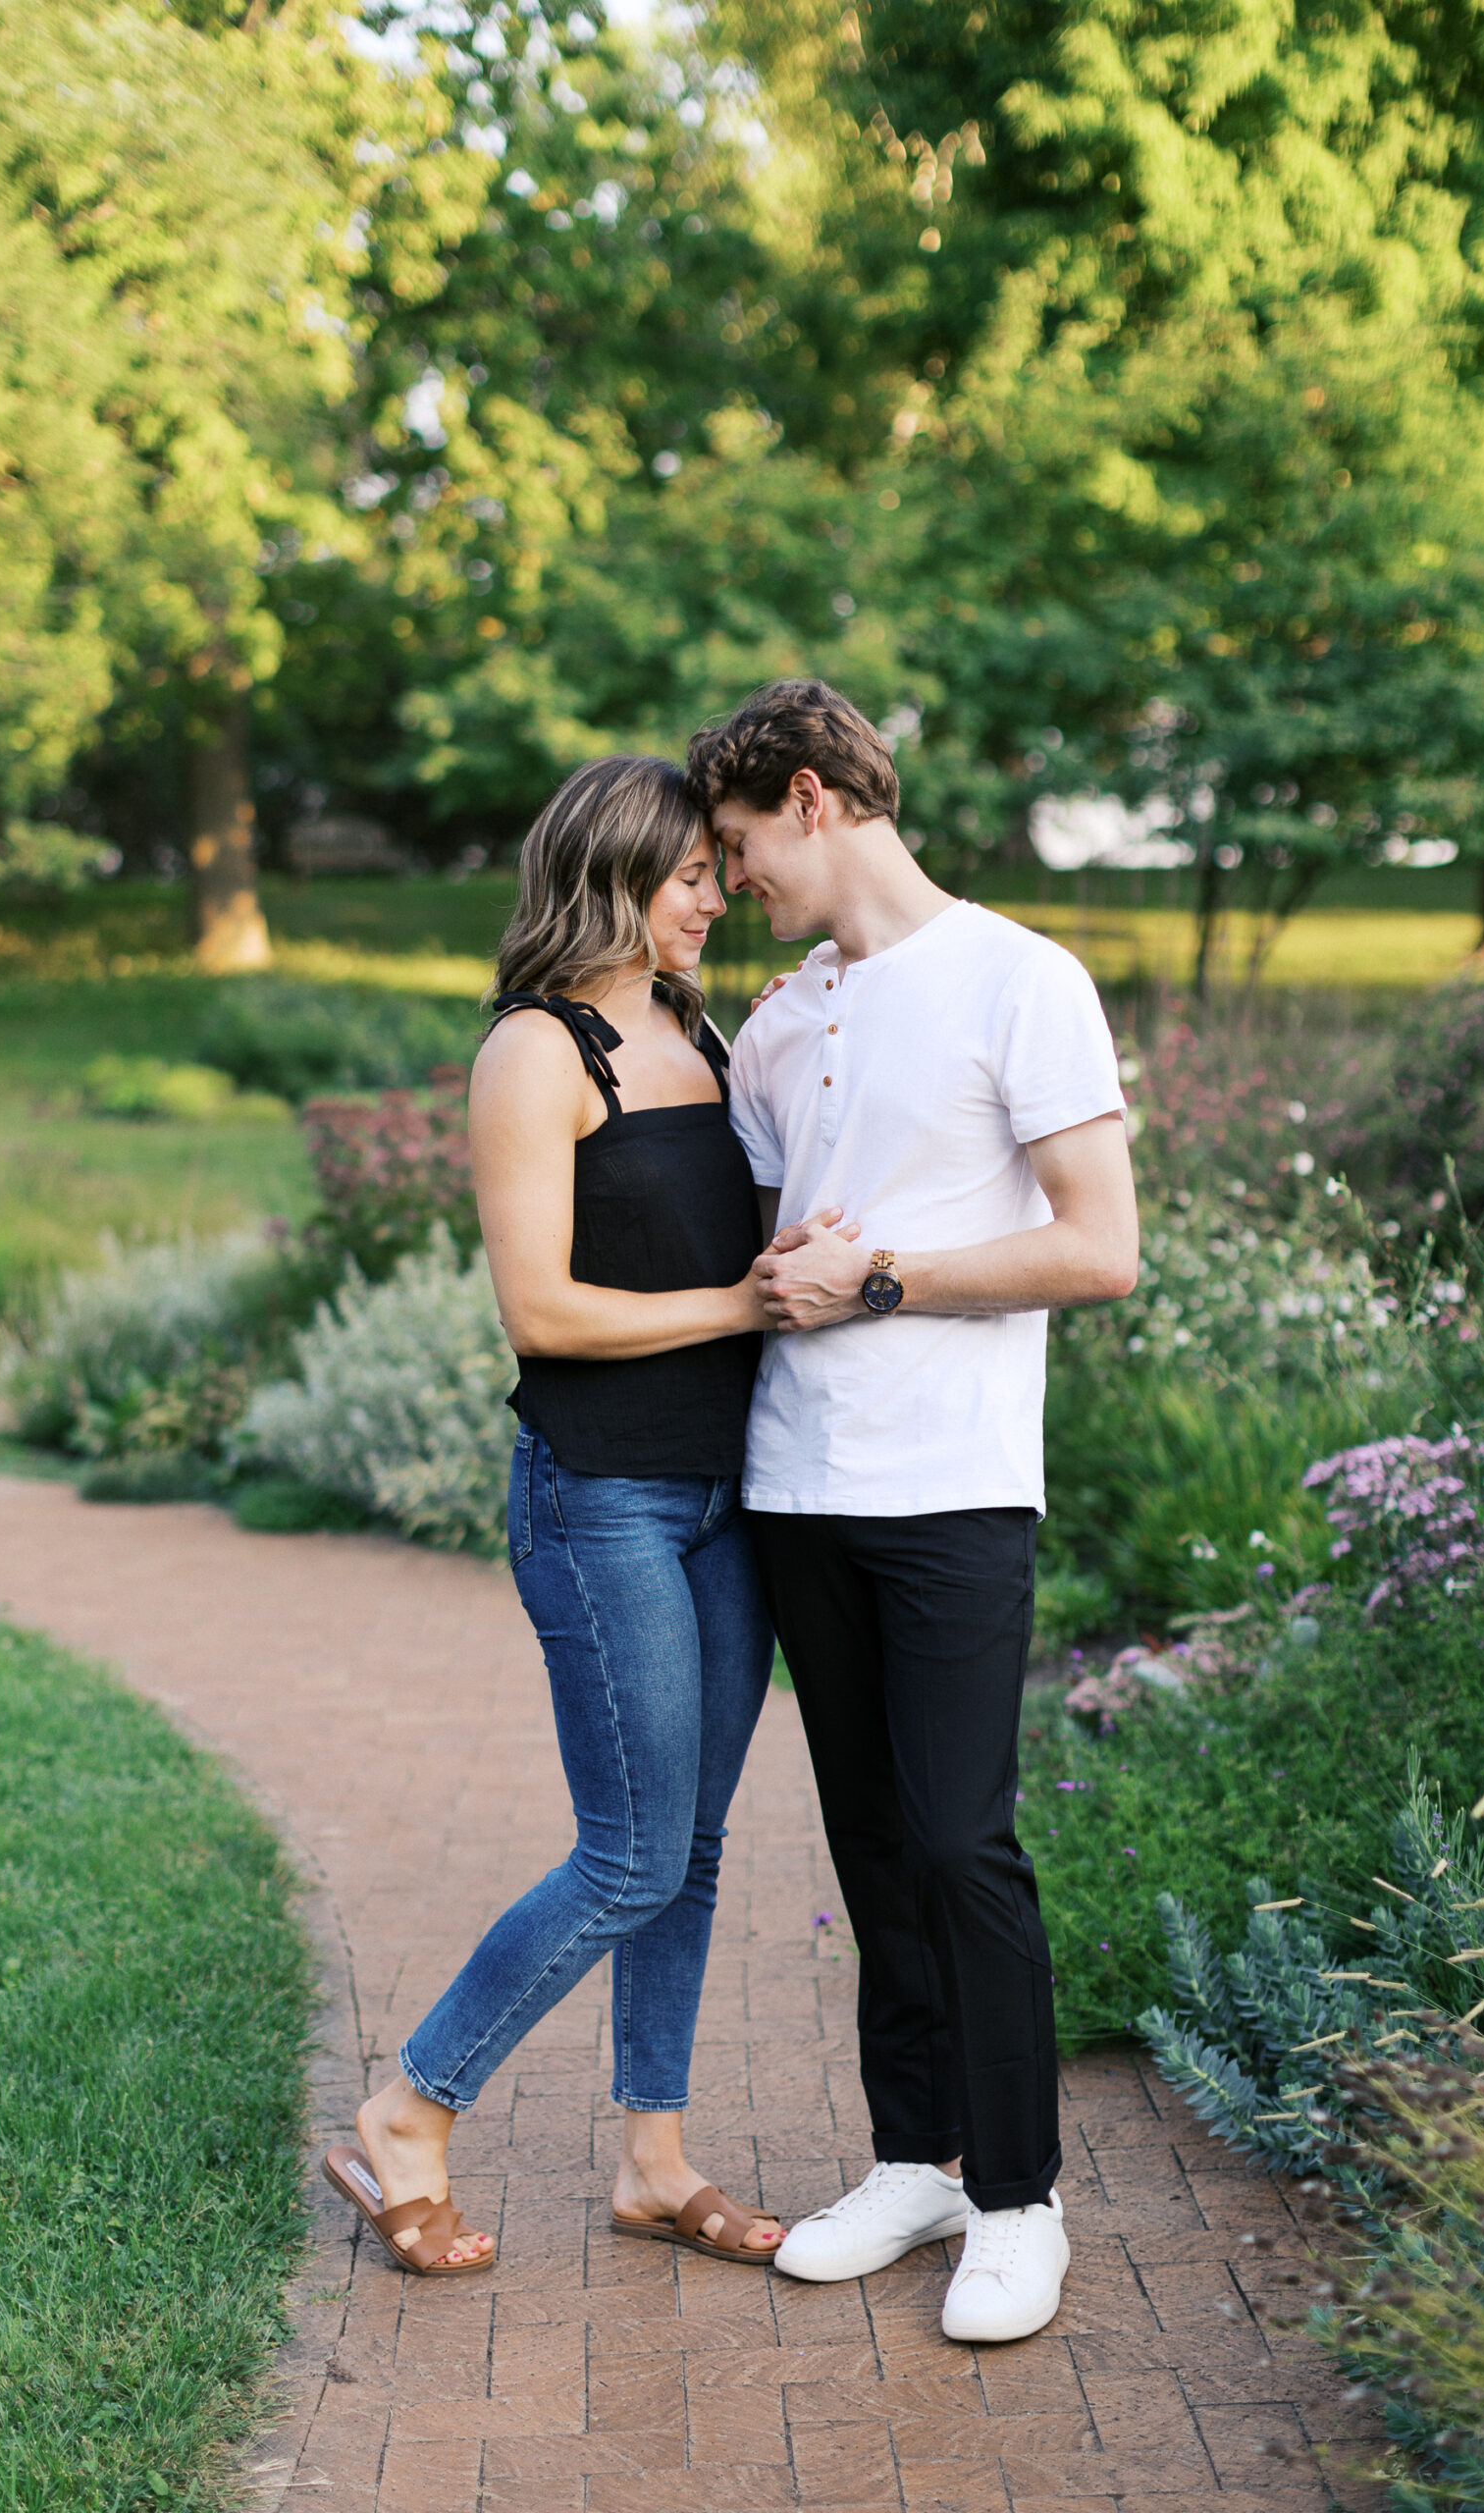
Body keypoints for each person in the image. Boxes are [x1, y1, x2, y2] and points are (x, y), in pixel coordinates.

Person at [685, 680, 1140, 2343]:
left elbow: (1100, 1247)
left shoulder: (1022, 979)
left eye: (739, 850)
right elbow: (767, 1258)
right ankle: (913, 2162)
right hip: (798, 1488)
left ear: (811, 800)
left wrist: (883, 1276)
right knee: (872, 1846)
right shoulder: (785, 1019)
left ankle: (1019, 2198)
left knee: (962, 1844)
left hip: (949, 1488)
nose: (732, 885)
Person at [324, 754, 800, 2275]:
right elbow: (542, 1312)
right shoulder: (537, 1052)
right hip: (603, 1501)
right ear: (612, 872)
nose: (716, 897)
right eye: (690, 877)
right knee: (630, 1854)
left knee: (697, 1844)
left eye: (720, 875)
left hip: (731, 1497)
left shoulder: (694, 1025)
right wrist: (745, 1302)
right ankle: (410, 2107)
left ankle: (654, 2163)